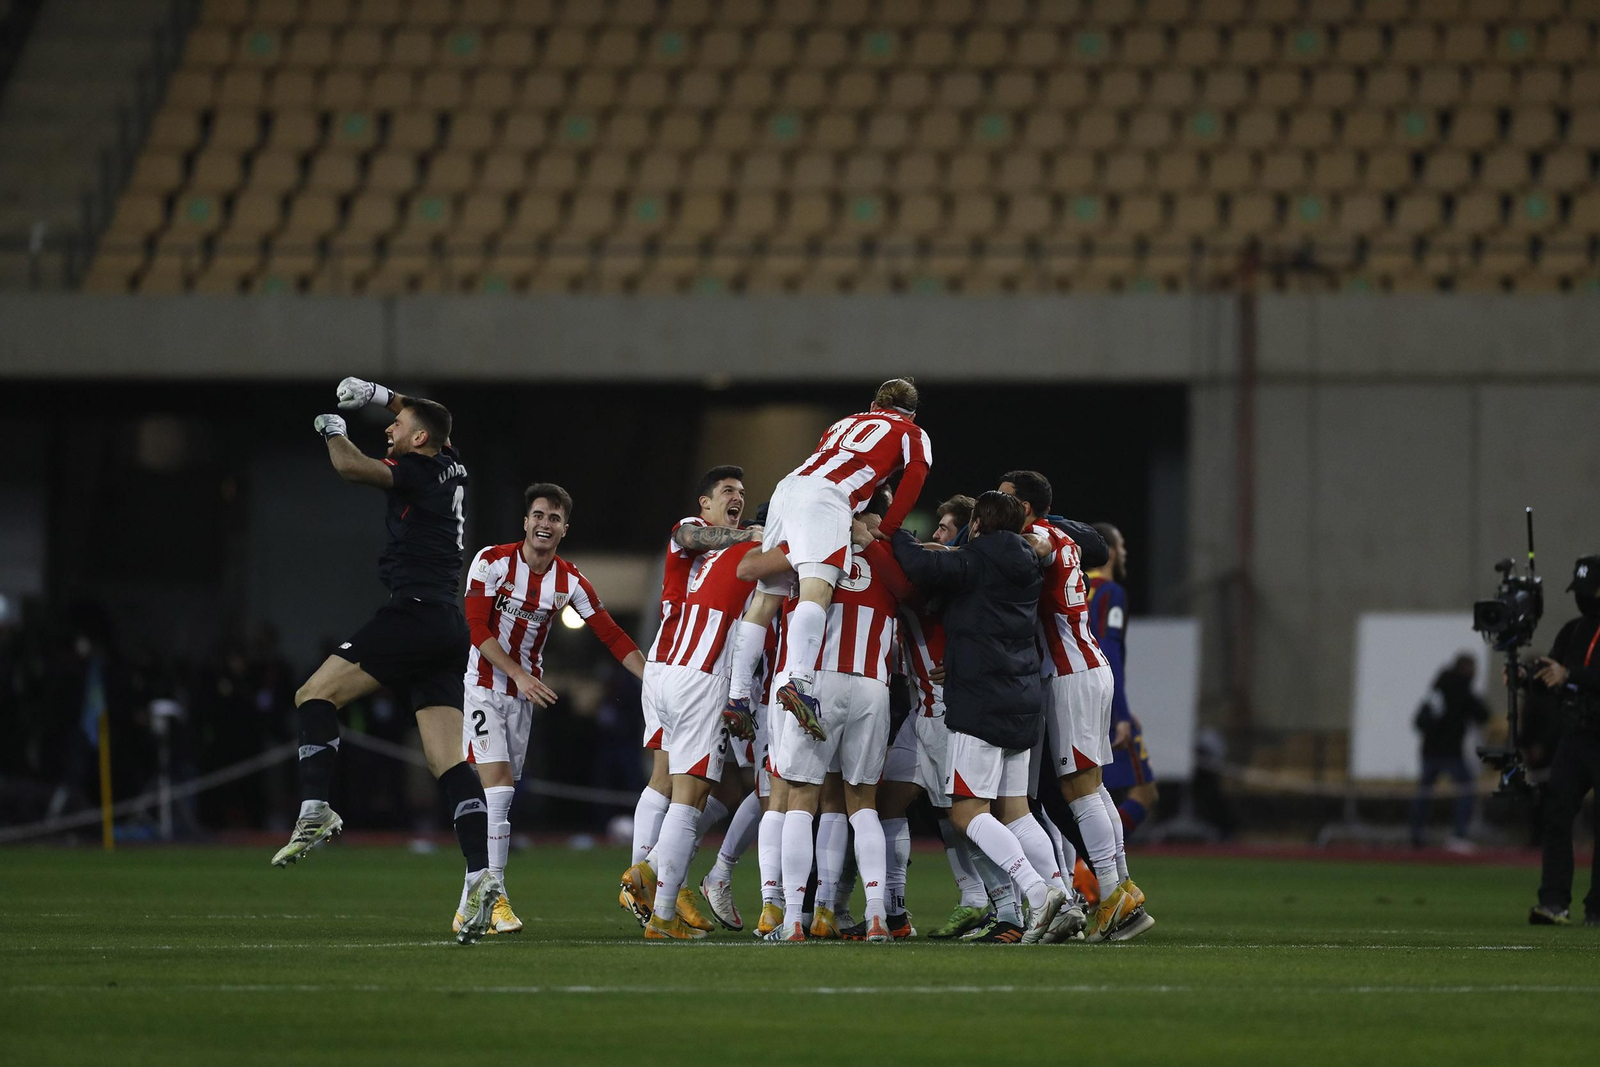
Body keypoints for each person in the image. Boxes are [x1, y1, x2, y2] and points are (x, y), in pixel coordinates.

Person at [276, 377, 497, 945]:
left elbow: (352, 468)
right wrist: (379, 395)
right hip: (446, 626)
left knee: (313, 695)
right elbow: (427, 412)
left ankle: (316, 807)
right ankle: (481, 874)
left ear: (420, 439)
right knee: (448, 762)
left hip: (415, 613)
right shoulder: (450, 461)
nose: (389, 430)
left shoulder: (420, 469)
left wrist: (333, 430)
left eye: (396, 428)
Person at [457, 482, 646, 935]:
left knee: (502, 798)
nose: (545, 523)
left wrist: (656, 680)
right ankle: (496, 897)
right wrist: (519, 673)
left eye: (554, 518)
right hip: (483, 687)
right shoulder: (492, 561)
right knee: (499, 792)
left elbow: (612, 634)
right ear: (526, 522)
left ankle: (470, 905)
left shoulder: (570, 581)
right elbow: (475, 627)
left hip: (523, 699)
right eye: (538, 515)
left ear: (564, 528)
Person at [888, 491, 1073, 945]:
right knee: (1017, 812)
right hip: (1021, 699)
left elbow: (922, 568)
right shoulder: (1029, 561)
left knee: (967, 812)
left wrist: (895, 533)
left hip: (981, 703)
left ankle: (1036, 891)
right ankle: (1065, 899)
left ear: (976, 526)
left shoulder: (975, 559)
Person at [723, 379, 931, 744]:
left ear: (874, 403)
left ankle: (738, 695)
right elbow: (915, 474)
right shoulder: (911, 431)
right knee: (815, 590)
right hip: (829, 497)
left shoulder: (843, 422)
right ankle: (798, 682)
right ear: (911, 413)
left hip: (788, 487)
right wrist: (891, 526)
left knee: (766, 597)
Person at [748, 491, 911, 943]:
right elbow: (910, 590)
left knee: (800, 800)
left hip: (816, 681)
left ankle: (792, 920)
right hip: (871, 687)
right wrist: (879, 540)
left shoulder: (811, 544)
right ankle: (876, 914)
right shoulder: (888, 555)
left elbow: (749, 571)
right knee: (862, 805)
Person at [1000, 471, 1152, 943]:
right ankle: (1121, 888)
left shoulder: (1039, 536)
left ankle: (1110, 895)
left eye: (1004, 499)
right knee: (1093, 788)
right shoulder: (1060, 533)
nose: (996, 505)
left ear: (1025, 507)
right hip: (1083, 667)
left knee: (1079, 790)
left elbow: (1040, 550)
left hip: (1070, 674)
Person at [623, 467, 758, 914]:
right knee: (695, 791)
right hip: (695, 672)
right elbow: (689, 538)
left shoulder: (726, 548)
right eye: (726, 492)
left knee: (666, 780)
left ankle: (654, 878)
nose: (736, 497)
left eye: (740, 492)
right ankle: (658, 885)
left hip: (664, 666)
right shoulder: (698, 531)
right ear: (704, 502)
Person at [1530, 555, 1600, 927]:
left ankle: (1597, 908)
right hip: (1575, 737)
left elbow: (1576, 674)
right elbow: (1553, 671)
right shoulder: (1574, 630)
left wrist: (1570, 674)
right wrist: (1529, 676)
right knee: (1556, 817)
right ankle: (1554, 902)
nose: (1585, 598)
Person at [1087, 522, 1160, 839]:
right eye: (1123, 546)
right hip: (1102, 702)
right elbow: (1109, 649)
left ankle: (1073, 870)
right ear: (1113, 552)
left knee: (1079, 795)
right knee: (1145, 793)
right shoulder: (1110, 594)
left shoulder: (1070, 587)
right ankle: (1089, 869)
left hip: (1069, 698)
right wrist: (1121, 713)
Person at [1408, 653, 1488, 851]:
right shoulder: (1462, 690)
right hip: (1450, 751)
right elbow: (1482, 714)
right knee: (1466, 789)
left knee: (1424, 794)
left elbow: (1420, 720)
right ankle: (1458, 834)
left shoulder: (1436, 690)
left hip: (1430, 751)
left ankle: (1416, 835)